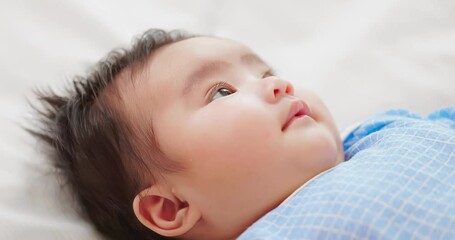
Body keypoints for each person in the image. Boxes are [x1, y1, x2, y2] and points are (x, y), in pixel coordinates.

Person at [29, 28, 454, 240]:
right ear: (170, 206)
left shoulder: (385, 132)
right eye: (222, 92)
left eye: (266, 73)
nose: (278, 85)